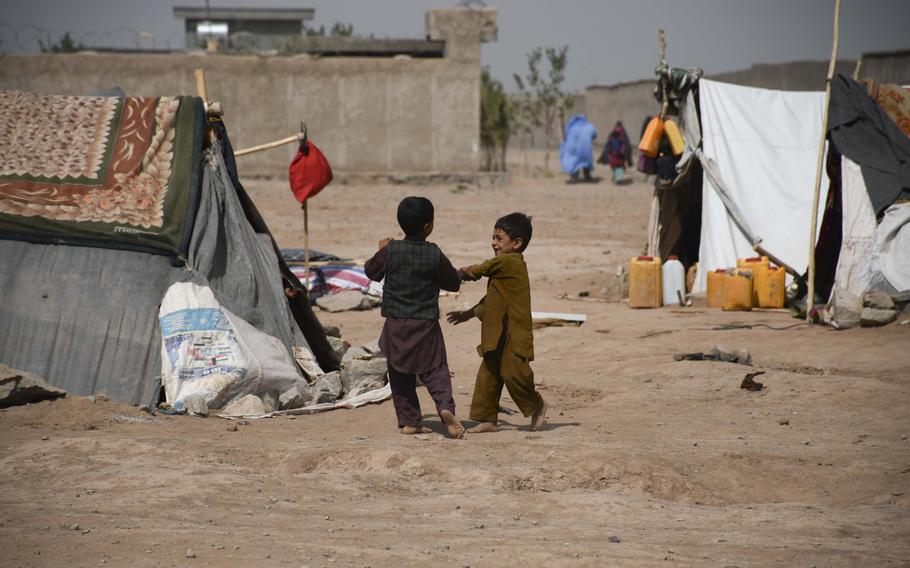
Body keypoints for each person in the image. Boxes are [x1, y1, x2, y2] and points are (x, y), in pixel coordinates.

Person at [364, 196, 465, 438]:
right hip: (425, 324)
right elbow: (452, 283)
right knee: (436, 369)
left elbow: (370, 272)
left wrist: (382, 251)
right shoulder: (433, 253)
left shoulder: (391, 250)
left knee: (399, 373)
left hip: (396, 324)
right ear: (429, 226)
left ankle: (410, 421)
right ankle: (444, 407)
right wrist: (461, 274)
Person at [446, 212, 548, 433]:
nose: (493, 242)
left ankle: (536, 404)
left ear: (517, 243)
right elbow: (492, 301)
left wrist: (460, 273)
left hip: (515, 333)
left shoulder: (511, 262)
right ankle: (487, 418)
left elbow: (483, 269)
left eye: (499, 238)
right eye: (493, 237)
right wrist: (468, 314)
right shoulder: (504, 265)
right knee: (489, 374)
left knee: (515, 373)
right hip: (497, 333)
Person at [560, 114, 597, 183]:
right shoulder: (589, 126)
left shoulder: (571, 126)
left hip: (573, 148)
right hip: (585, 148)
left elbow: (566, 134)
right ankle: (587, 176)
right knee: (586, 162)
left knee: (573, 162)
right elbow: (594, 134)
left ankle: (574, 177)